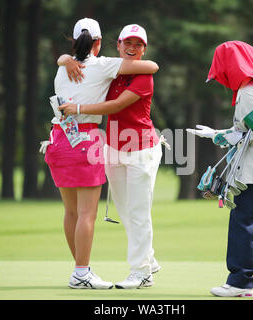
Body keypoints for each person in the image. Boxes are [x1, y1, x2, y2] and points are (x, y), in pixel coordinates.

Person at [43, 18, 159, 289]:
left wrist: (64, 59)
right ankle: (82, 272)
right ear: (105, 43)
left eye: (137, 44)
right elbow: (152, 63)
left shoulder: (63, 70)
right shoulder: (105, 65)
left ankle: (136, 268)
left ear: (73, 41)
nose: (131, 47)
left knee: (73, 212)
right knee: (88, 214)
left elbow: (125, 95)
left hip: (60, 139)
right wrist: (66, 60)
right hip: (93, 143)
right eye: (127, 42)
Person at [187, 41, 253, 298]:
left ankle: (240, 281)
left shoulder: (249, 91)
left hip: (252, 172)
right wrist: (221, 134)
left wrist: (219, 136)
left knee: (242, 224)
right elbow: (247, 130)